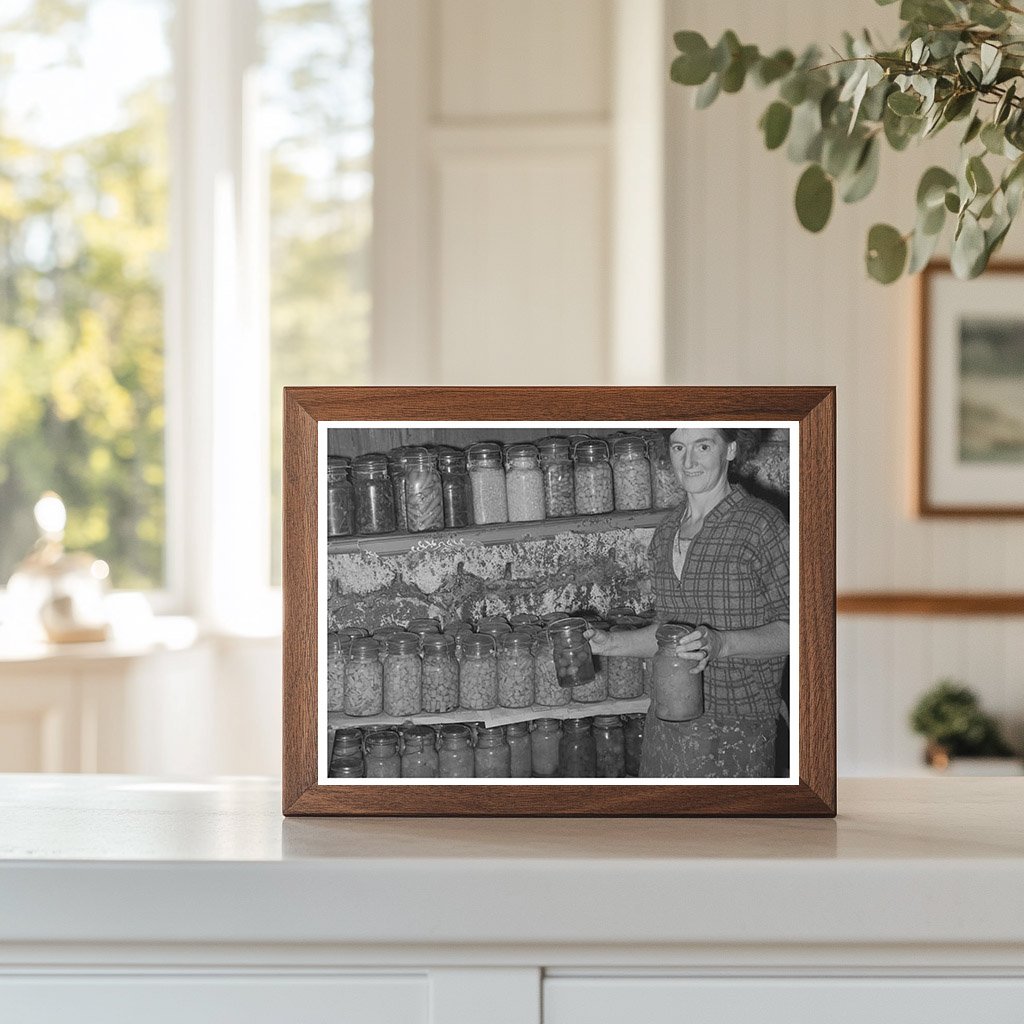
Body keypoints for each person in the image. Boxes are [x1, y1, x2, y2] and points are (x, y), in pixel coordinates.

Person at [587, 427, 789, 778]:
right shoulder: (666, 532)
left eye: (703, 446)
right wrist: (610, 642)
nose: (689, 461)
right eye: (679, 447)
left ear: (730, 450)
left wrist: (723, 643)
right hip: (666, 724)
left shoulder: (762, 525)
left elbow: (804, 631)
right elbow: (667, 636)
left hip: (738, 728)